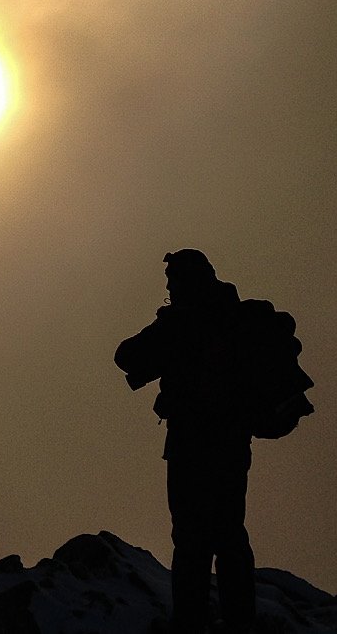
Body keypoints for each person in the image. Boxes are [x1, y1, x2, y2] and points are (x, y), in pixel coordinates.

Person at [115, 249, 258, 634]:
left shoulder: (182, 322)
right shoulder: (237, 318)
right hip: (232, 446)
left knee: (192, 539)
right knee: (230, 534)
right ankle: (240, 620)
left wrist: (168, 327)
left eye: (172, 283)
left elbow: (126, 356)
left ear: (185, 282)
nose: (169, 291)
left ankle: (191, 622)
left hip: (191, 446)